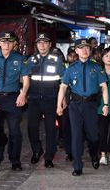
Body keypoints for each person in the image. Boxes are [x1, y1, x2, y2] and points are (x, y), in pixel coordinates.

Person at [56, 38, 109, 176]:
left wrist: (106, 104)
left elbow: (103, 87)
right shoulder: (71, 68)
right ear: (77, 50)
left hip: (91, 105)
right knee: (76, 135)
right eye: (81, 48)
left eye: (87, 47)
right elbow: (63, 87)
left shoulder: (96, 67)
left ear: (89, 50)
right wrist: (59, 105)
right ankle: (77, 166)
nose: (84, 50)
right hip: (75, 106)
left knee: (93, 135)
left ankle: (94, 154)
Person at [0, 31, 29, 171]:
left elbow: (26, 79)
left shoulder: (20, 58)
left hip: (13, 98)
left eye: (9, 41)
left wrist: (23, 94)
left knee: (15, 132)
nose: (6, 44)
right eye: (4, 41)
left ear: (14, 44)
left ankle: (15, 160)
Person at [27, 33, 65, 168]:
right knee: (31, 127)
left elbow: (63, 81)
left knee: (51, 130)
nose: (42, 45)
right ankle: (37, 150)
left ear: (49, 44)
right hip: (34, 100)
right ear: (36, 45)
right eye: (39, 43)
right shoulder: (31, 60)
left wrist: (63, 99)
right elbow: (25, 79)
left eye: (45, 42)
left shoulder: (57, 60)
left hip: (51, 100)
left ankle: (49, 157)